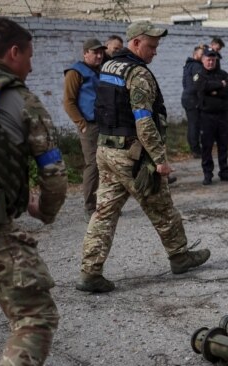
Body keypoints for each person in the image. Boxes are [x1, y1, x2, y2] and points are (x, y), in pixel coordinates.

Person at [76, 20, 210, 293]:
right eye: (151, 46)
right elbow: (144, 121)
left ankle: (90, 272)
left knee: (103, 213)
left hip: (106, 149)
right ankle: (180, 256)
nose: (155, 52)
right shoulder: (137, 73)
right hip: (131, 154)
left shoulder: (108, 66)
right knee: (161, 206)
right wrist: (160, 159)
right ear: (135, 43)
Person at [0, 17, 68, 365]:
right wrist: (44, 210)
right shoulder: (21, 99)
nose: (31, 65)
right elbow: (54, 174)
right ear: (13, 52)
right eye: (29, 56)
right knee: (34, 318)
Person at [63, 38, 105, 222]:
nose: (99, 55)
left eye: (101, 52)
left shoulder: (101, 70)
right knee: (93, 165)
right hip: (89, 125)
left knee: (108, 164)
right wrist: (82, 123)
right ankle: (89, 206)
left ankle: (105, 205)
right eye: (95, 52)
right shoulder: (75, 72)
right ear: (85, 53)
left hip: (105, 124)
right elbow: (68, 102)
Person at [195, 47, 228, 185]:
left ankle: (224, 172)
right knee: (207, 146)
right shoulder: (199, 75)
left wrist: (216, 92)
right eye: (208, 59)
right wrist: (220, 85)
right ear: (203, 60)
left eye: (213, 60)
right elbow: (202, 87)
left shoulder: (223, 73)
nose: (211, 62)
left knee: (223, 145)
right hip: (206, 117)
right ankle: (208, 174)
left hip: (222, 115)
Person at [181, 45, 205, 158]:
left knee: (192, 124)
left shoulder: (188, 65)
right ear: (195, 55)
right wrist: (200, 99)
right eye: (201, 54)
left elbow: (184, 83)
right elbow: (198, 84)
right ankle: (196, 150)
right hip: (192, 98)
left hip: (186, 96)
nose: (203, 56)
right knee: (194, 125)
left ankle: (194, 148)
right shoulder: (197, 66)